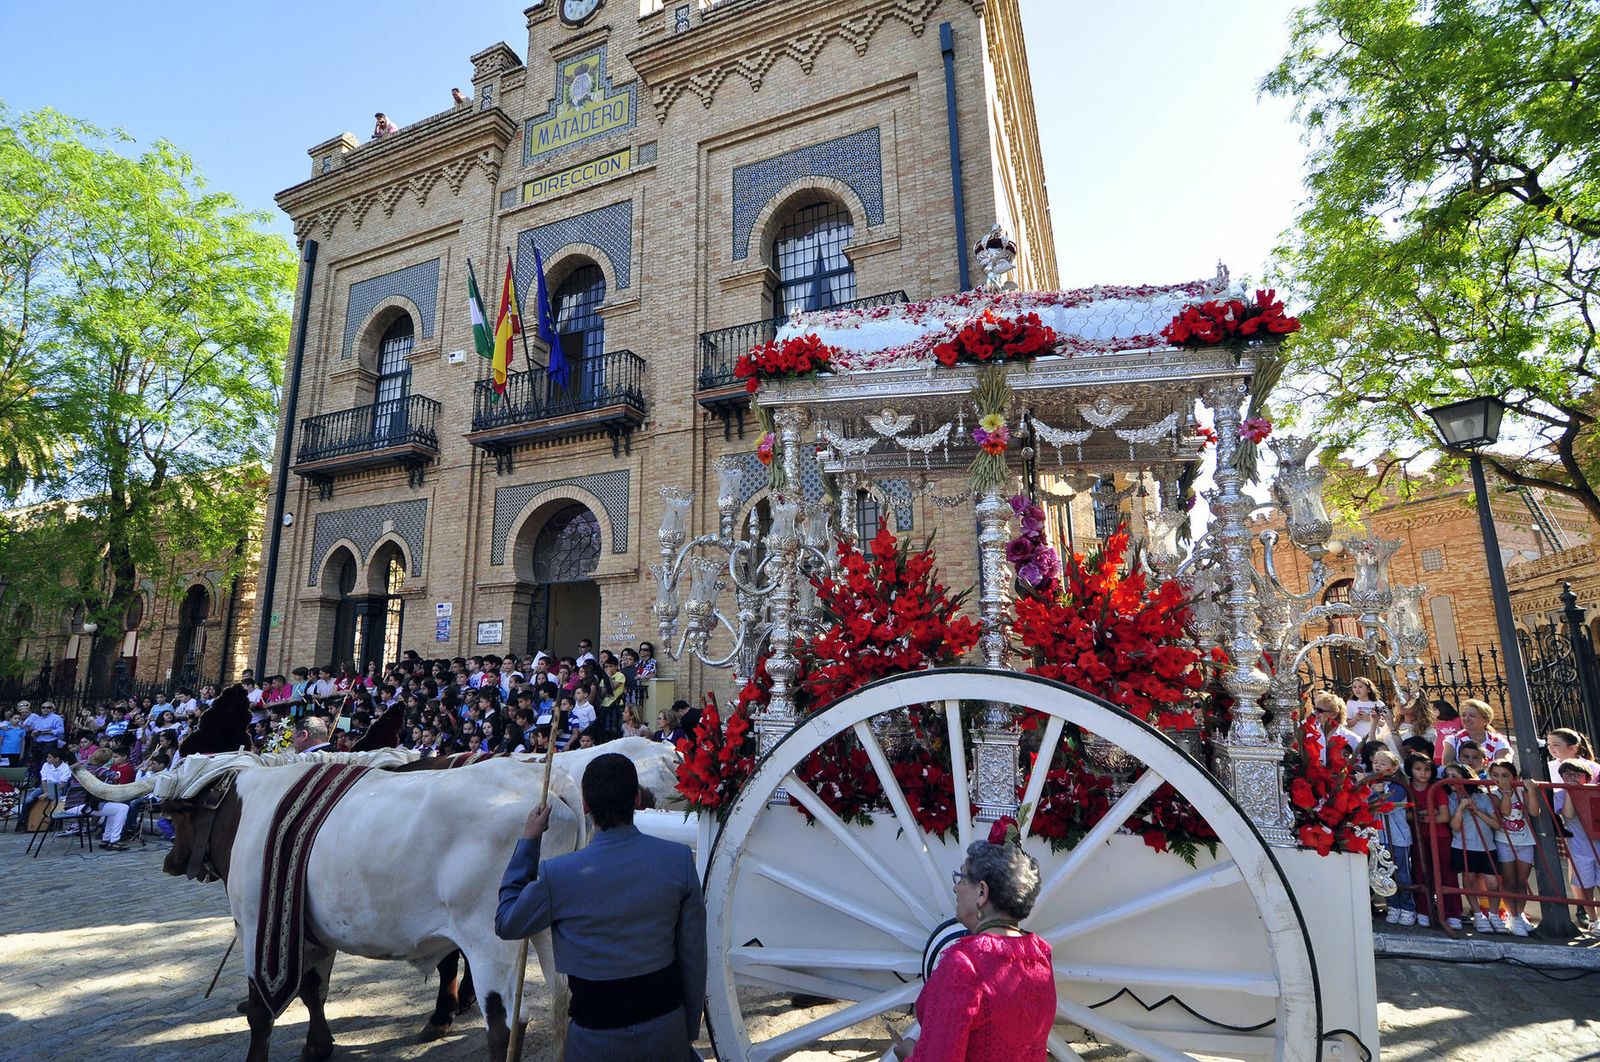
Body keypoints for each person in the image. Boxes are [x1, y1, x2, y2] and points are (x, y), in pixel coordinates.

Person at [496, 753, 706, 1060]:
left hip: (594, 1040)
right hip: (666, 1030)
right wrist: (686, 1030)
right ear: (637, 799)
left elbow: (506, 923)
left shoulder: (558, 874)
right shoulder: (678, 860)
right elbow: (693, 957)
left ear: (585, 806)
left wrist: (528, 842)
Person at [895, 838, 1055, 1060]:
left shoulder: (963, 966)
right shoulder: (1039, 957)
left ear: (982, 892)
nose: (955, 887)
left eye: (961, 878)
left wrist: (909, 1055)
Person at [1488, 759, 1542, 935]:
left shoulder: (1521, 790)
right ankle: (1513, 916)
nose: (1500, 779)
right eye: (1495, 775)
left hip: (1525, 841)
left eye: (1505, 775)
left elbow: (1534, 812)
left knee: (1522, 881)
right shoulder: (1493, 793)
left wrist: (1532, 791)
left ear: (1514, 776)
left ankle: (1519, 914)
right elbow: (1504, 812)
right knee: (1509, 881)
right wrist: (1505, 793)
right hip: (1504, 841)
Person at [1446, 764, 1503, 933]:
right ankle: (1478, 915)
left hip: (1486, 846)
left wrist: (1477, 811)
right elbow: (1455, 827)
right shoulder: (1450, 798)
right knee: (1469, 881)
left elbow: (1496, 824)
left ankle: (1494, 914)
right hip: (1463, 846)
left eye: (1454, 776)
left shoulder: (1482, 797)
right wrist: (1461, 808)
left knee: (1493, 883)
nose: (1450, 779)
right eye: (1447, 776)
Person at [1370, 750, 1417, 926]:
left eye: (1382, 763)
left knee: (1402, 872)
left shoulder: (1399, 786)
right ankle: (1393, 905)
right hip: (1380, 837)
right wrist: (1374, 791)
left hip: (1398, 837)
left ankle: (1407, 907)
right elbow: (1368, 805)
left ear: (1394, 767)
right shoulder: (1372, 784)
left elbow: (1386, 806)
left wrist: (1379, 792)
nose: (1378, 766)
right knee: (1384, 872)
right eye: (1376, 762)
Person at [1553, 758, 1600, 933]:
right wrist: (1569, 792)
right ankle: (1593, 920)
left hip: (1598, 846)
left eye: (1577, 774)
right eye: (1567, 774)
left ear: (1587, 777)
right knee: (1585, 886)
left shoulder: (1595, 791)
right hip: (1580, 848)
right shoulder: (1560, 794)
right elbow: (1569, 814)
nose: (1572, 777)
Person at [1443, 698, 1510, 766]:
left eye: (1472, 715)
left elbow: (1503, 767)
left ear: (1486, 720)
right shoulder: (1453, 740)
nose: (1466, 719)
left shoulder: (1499, 741)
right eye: (1463, 715)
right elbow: (1447, 767)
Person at [1346, 676, 1387, 742]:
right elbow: (1348, 724)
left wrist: (1369, 718)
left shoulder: (1379, 703)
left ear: (1368, 689)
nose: (1357, 689)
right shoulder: (1350, 703)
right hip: (1357, 739)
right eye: (1354, 687)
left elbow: (1384, 724)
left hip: (1375, 738)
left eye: (1360, 687)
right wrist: (1356, 718)